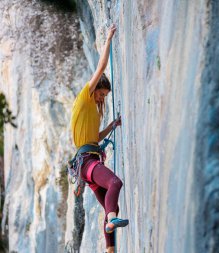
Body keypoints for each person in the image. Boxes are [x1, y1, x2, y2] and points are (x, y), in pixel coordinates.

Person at [70, 24, 128, 253]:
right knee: (116, 183)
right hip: (87, 163)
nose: (101, 97)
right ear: (94, 90)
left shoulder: (91, 111)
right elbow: (102, 66)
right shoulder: (84, 98)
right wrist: (109, 39)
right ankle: (112, 221)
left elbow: (94, 138)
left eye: (104, 95)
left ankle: (109, 249)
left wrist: (112, 126)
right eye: (101, 94)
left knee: (110, 206)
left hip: (88, 164)